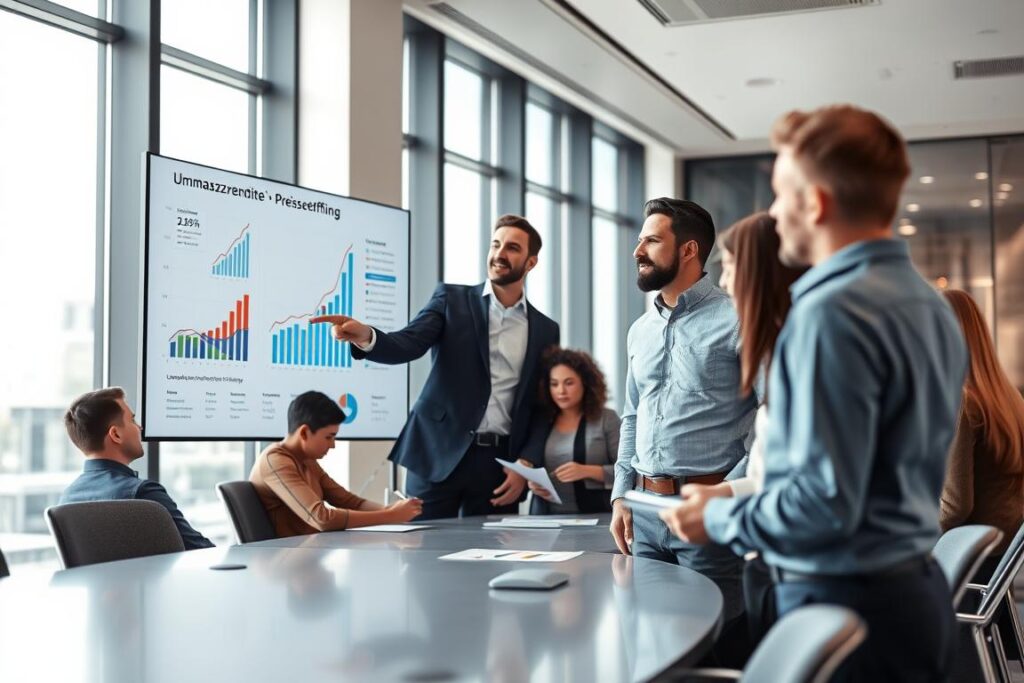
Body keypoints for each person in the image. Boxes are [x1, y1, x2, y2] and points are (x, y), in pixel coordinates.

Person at [663, 105, 968, 681]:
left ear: (816, 203)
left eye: (781, 194)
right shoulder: (929, 302)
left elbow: (822, 507)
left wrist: (721, 519)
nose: (775, 213)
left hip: (843, 611)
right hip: (907, 599)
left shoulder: (831, 314)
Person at [310, 215, 560, 519]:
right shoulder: (451, 300)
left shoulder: (546, 330)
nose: (499, 254)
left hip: (499, 466)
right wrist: (366, 336)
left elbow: (542, 405)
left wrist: (525, 463)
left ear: (530, 262)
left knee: (493, 559)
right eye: (495, 244)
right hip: (436, 451)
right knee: (419, 552)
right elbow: (409, 343)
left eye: (512, 248)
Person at [609, 197, 758, 644]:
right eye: (640, 240)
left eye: (652, 240)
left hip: (709, 512)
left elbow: (778, 419)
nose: (638, 250)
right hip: (646, 511)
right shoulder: (640, 330)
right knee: (653, 644)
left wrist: (725, 492)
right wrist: (621, 494)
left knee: (715, 643)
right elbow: (632, 415)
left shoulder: (739, 320)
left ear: (689, 250)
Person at [671, 211, 805, 643]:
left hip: (795, 568)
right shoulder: (788, 349)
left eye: (730, 267)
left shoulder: (801, 357)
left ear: (759, 273)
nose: (724, 283)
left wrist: (722, 515)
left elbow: (809, 493)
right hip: (774, 560)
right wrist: (722, 492)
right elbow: (775, 475)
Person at [250, 390, 422, 537]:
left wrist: (391, 510)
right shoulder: (275, 460)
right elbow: (322, 518)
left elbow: (349, 501)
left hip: (308, 552)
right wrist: (390, 516)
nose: (332, 445)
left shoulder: (306, 459)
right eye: (328, 437)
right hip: (284, 562)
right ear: (304, 432)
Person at [61, 387, 213, 550]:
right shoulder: (143, 494)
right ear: (116, 434)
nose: (139, 427)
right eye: (132, 420)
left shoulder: (67, 499)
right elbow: (199, 549)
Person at [940, 289, 1024, 571]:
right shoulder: (1009, 397)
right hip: (997, 560)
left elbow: (953, 507)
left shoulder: (962, 401)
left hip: (967, 565)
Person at [520, 347, 620, 514]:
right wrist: (533, 485)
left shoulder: (607, 418)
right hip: (546, 520)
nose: (561, 391)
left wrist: (587, 471)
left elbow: (629, 472)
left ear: (585, 383)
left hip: (596, 518)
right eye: (554, 384)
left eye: (569, 383)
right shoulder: (543, 422)